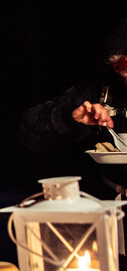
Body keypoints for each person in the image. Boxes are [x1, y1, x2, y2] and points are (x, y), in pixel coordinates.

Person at [19, 16, 127, 198]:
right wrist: (68, 119)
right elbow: (29, 132)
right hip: (117, 204)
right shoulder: (100, 90)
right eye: (121, 67)